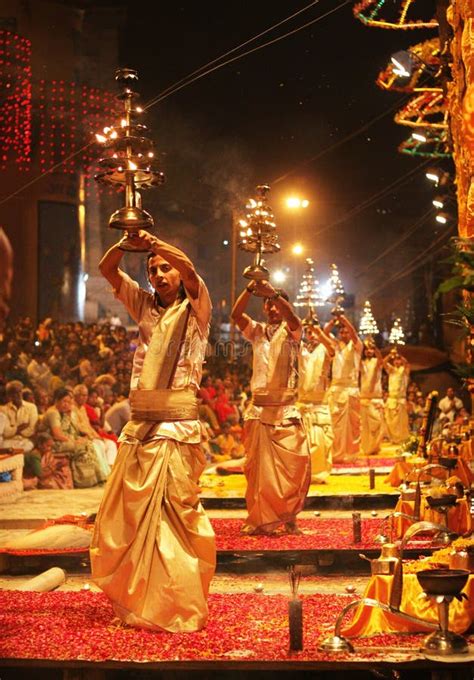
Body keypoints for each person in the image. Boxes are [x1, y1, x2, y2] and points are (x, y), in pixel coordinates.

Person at [90, 230, 215, 633]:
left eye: (166, 268)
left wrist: (154, 241)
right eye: (153, 270)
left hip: (177, 429)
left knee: (175, 516)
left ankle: (174, 602)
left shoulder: (197, 307)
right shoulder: (143, 305)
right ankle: (139, 599)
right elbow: (106, 268)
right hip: (141, 426)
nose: (159, 273)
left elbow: (192, 270)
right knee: (128, 516)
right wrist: (128, 243)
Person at [231, 279, 310, 535]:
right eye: (267, 304)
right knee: (258, 472)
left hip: (285, 411)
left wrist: (274, 293)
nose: (272, 308)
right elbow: (235, 315)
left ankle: (288, 516)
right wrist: (250, 288)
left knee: (293, 468)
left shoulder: (294, 330)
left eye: (275, 303)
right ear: (264, 307)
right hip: (259, 410)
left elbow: (291, 315)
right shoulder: (256, 331)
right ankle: (260, 517)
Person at [41, 387, 108, 487]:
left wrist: (77, 439)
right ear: (56, 400)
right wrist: (74, 441)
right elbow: (57, 434)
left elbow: (73, 431)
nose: (66, 404)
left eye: (68, 402)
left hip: (63, 441)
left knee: (88, 444)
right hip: (54, 444)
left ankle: (96, 479)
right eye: (64, 401)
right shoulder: (53, 413)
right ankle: (82, 481)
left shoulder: (64, 413)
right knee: (83, 447)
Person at [297, 314, 335, 483]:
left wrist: (318, 331)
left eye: (312, 332)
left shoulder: (325, 349)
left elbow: (333, 348)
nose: (310, 335)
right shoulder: (302, 350)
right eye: (308, 332)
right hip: (302, 404)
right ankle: (302, 474)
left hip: (319, 404)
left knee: (320, 441)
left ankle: (317, 474)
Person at [325, 314, 363, 462]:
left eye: (346, 331)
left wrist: (344, 319)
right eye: (342, 331)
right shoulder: (334, 345)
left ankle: (351, 455)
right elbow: (324, 333)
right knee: (335, 425)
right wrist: (333, 321)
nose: (344, 334)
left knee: (352, 425)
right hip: (335, 391)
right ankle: (336, 454)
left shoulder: (356, 345)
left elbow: (353, 334)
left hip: (350, 391)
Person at [360, 339, 384, 455]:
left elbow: (381, 360)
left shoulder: (376, 361)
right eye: (367, 350)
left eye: (370, 349)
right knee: (365, 427)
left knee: (377, 424)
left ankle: (375, 447)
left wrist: (375, 348)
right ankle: (367, 448)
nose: (369, 351)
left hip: (375, 398)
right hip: (363, 398)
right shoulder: (362, 363)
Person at [0, 380, 38, 452]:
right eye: (14, 393)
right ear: (9, 395)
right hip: (8, 441)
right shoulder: (4, 410)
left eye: (20, 391)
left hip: (25, 441)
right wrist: (19, 428)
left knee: (24, 448)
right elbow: (5, 432)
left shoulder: (32, 407)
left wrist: (13, 430)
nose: (18, 395)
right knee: (5, 448)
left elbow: (31, 430)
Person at [383, 349, 410, 444]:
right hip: (391, 399)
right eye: (396, 360)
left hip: (400, 400)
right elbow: (383, 362)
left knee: (401, 422)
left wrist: (399, 355)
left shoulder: (404, 371)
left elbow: (406, 363)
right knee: (390, 421)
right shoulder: (391, 370)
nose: (397, 361)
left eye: (398, 360)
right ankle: (393, 439)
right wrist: (390, 355)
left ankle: (402, 440)